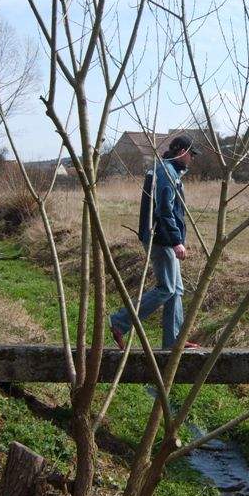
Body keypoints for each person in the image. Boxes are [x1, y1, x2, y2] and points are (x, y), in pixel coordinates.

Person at [109, 135, 200, 350]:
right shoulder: (166, 172)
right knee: (167, 288)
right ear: (180, 151)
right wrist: (177, 240)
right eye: (190, 154)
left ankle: (173, 341)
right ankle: (120, 322)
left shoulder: (168, 170)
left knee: (176, 289)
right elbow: (164, 210)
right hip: (161, 238)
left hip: (162, 236)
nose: (192, 159)